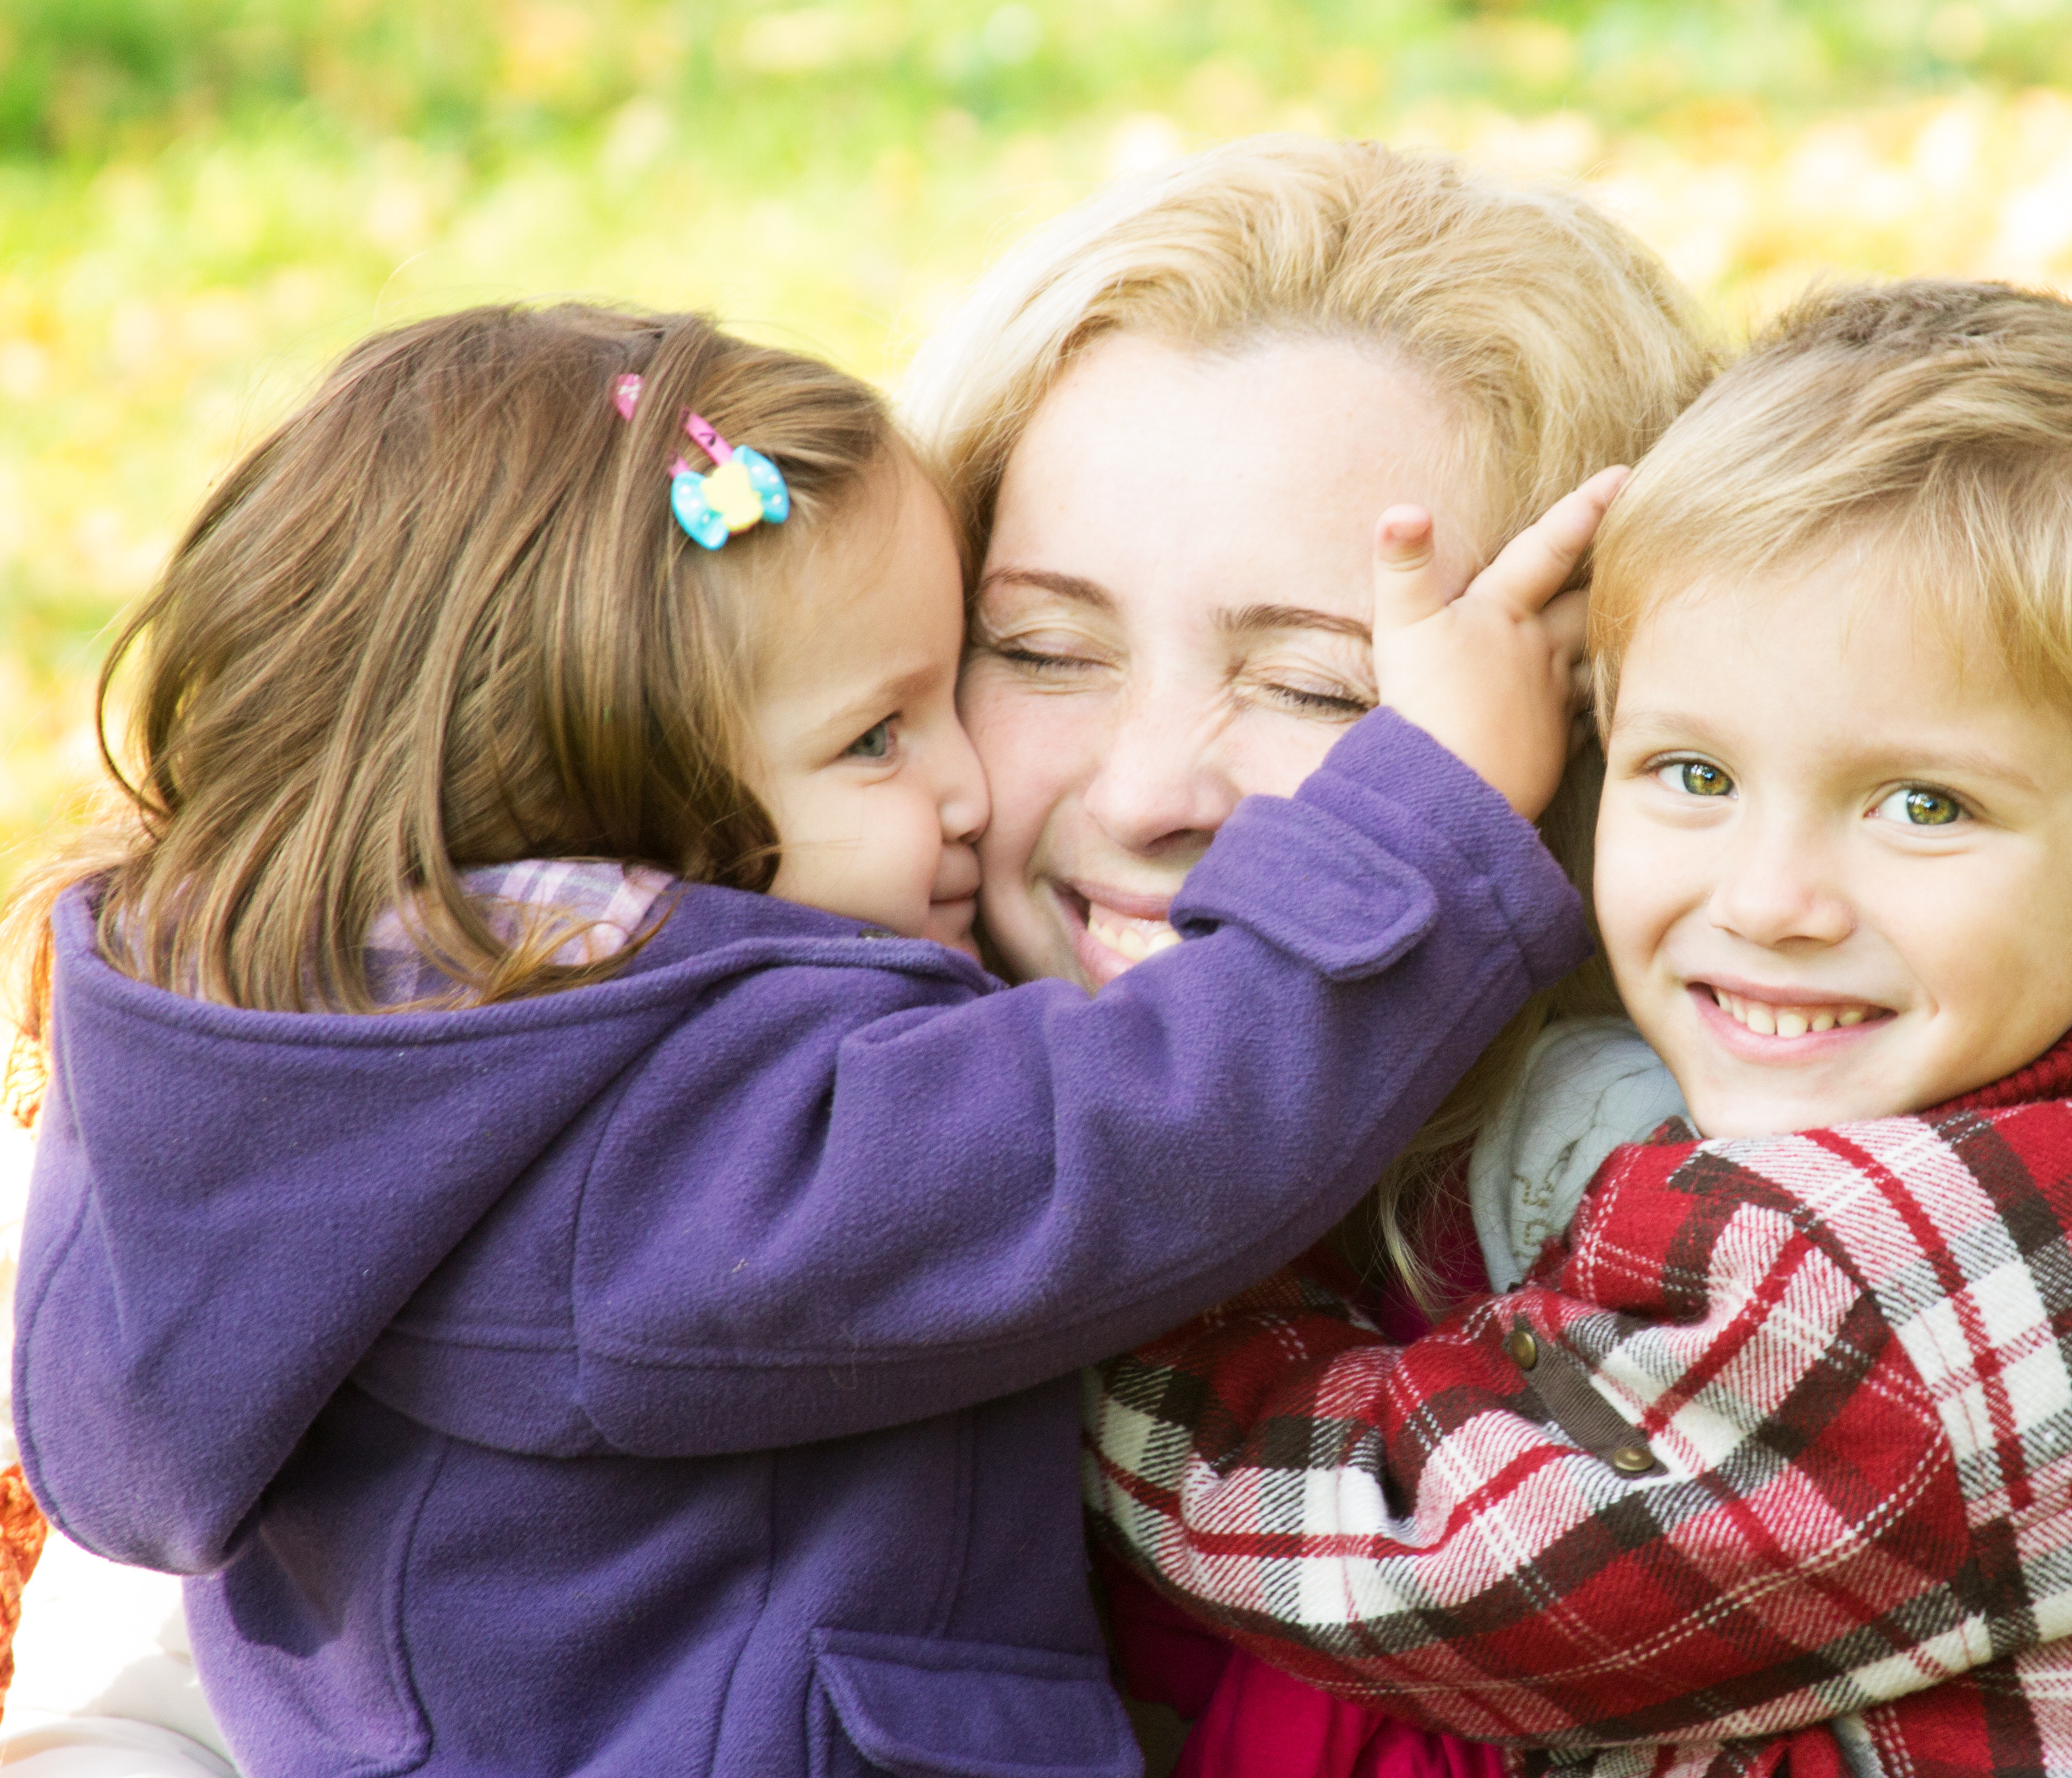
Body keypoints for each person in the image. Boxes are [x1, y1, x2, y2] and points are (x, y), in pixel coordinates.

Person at [6, 299, 1617, 1777]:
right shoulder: (641, 1123)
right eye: (875, 738)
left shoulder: (341, 1059)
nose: (968, 790)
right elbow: (1122, 1143)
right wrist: (1428, 814)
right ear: (615, 785)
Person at [1088, 283, 2072, 1777]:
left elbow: (1410, 1558)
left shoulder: (1885, 1292)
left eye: (1923, 805)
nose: (1773, 895)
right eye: (1691, 771)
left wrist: (1125, 1293)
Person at [895, 134, 1718, 1767]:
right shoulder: (755, 1144)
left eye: (1325, 689)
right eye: (1044, 648)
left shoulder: (1699, 1258)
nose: (1143, 792)